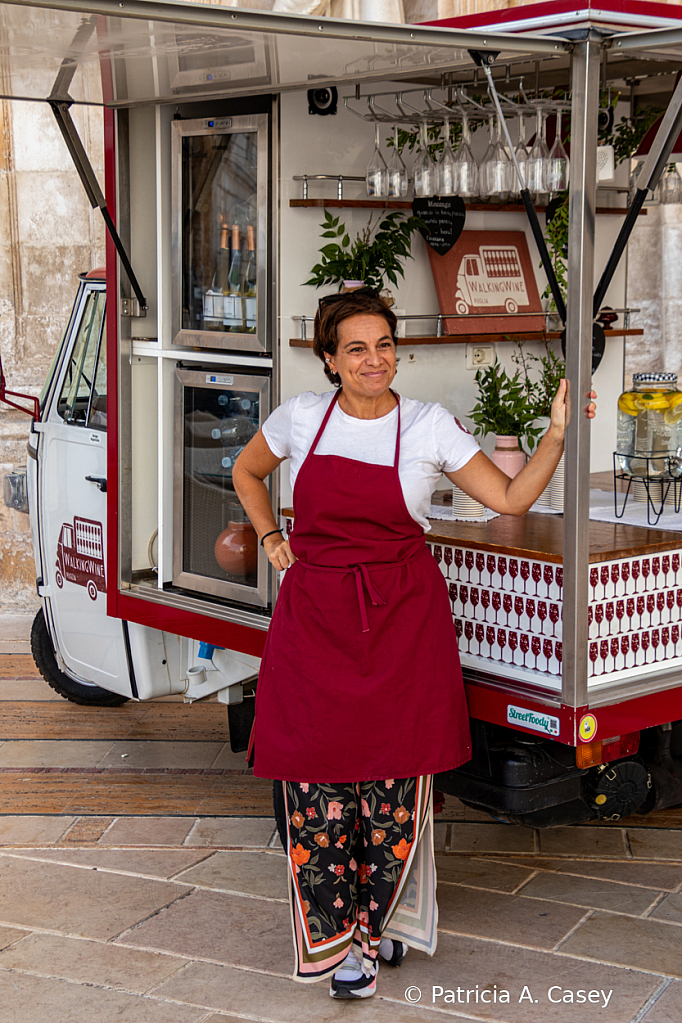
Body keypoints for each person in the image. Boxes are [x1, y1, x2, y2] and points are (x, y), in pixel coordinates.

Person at [233, 287, 596, 1000]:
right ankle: (342, 941)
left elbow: (511, 500)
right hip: (315, 620)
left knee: (396, 782)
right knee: (315, 783)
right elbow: (246, 471)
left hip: (401, 621)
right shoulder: (301, 417)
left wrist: (555, 434)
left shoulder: (429, 426)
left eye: (386, 345)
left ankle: (387, 917)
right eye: (358, 348)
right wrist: (272, 536)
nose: (376, 360)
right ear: (330, 359)